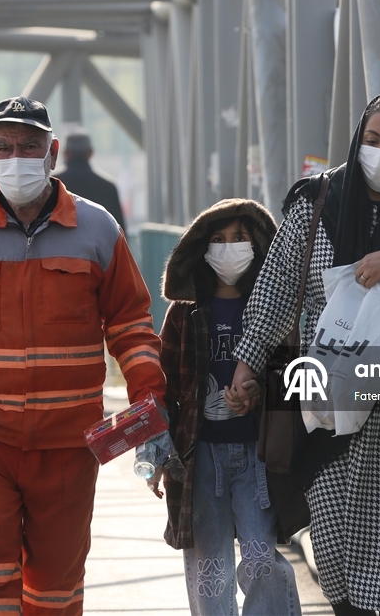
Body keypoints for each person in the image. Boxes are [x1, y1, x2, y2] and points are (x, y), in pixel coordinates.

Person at [0, 96, 166, 616]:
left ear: (51, 153)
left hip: (69, 443)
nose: (17, 156)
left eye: (29, 146)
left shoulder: (98, 231)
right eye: (4, 147)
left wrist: (151, 405)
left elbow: (131, 325)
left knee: (55, 587)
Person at [228, 91, 380, 616]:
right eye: (373, 139)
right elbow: (276, 290)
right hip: (328, 395)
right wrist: (247, 366)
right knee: (337, 548)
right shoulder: (316, 204)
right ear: (358, 137)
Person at [154, 199, 302, 615]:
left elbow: (294, 374)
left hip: (257, 457)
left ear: (259, 245)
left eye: (239, 238)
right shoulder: (183, 313)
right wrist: (157, 451)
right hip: (199, 458)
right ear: (201, 248)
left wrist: (258, 389)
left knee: (261, 562)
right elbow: (163, 381)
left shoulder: (271, 310)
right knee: (210, 573)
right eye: (218, 240)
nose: (229, 247)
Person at [53, 129, 126, 233]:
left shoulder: (51, 184)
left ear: (65, 153)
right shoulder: (108, 187)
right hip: (99, 247)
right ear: (91, 153)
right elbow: (120, 231)